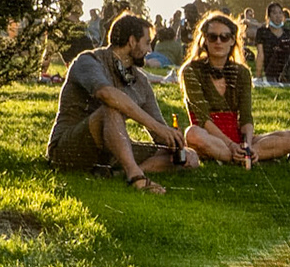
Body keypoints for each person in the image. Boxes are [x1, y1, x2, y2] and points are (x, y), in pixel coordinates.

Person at [46, 12, 201, 193]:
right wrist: (156, 127)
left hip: (111, 150)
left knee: (186, 158)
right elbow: (106, 94)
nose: (150, 50)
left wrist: (177, 144)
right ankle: (136, 177)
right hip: (68, 149)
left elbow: (159, 131)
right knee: (110, 109)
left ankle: (114, 174)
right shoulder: (89, 60)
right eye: (146, 42)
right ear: (132, 41)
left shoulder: (140, 81)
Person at [180, 11, 290, 166]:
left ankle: (242, 155)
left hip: (238, 138)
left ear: (232, 40)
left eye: (224, 37)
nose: (218, 42)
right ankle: (241, 157)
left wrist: (247, 145)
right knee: (192, 133)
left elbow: (246, 116)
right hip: (210, 137)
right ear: (204, 41)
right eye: (213, 37)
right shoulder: (191, 71)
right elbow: (203, 118)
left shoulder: (242, 72)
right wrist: (231, 145)